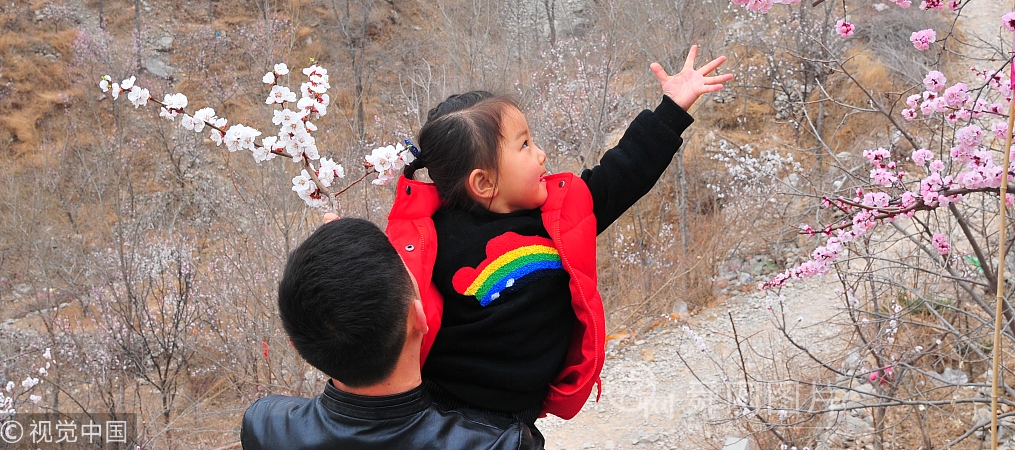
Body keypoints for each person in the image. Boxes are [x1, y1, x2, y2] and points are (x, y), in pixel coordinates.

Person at [386, 45, 732, 439]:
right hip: (442, 415)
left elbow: (623, 172)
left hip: (516, 422)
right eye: (524, 146)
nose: (541, 154)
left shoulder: (557, 218)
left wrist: (672, 108)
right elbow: (384, 318)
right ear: (483, 182)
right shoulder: (432, 242)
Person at [240, 216, 542, 450]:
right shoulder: (500, 443)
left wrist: (341, 268)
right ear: (418, 319)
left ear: (296, 344)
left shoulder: (266, 425)